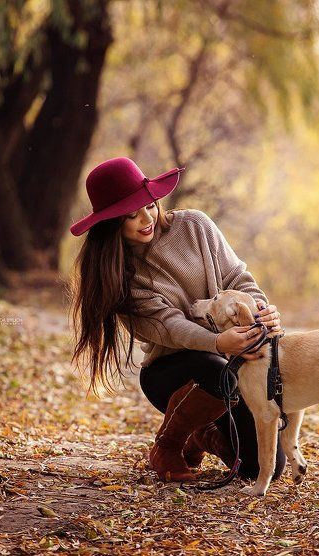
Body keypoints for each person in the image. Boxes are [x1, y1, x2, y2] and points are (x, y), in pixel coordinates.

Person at [67, 157, 286, 483]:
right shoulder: (119, 277)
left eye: (150, 206)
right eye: (132, 214)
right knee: (214, 367)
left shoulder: (195, 226)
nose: (146, 218)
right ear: (112, 222)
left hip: (230, 366)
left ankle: (201, 436)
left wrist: (259, 309)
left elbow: (237, 277)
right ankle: (167, 444)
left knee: (262, 468)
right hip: (173, 373)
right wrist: (216, 342)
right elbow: (170, 326)